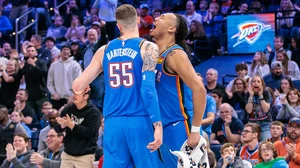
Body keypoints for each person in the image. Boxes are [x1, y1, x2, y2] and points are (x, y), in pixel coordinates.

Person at [72, 4, 163, 167]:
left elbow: (77, 86)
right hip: (138, 119)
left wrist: (84, 87)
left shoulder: (104, 50)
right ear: (138, 20)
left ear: (118, 25)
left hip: (112, 121)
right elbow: (147, 89)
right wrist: (157, 124)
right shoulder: (148, 47)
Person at [150, 12, 206, 166]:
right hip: (162, 128)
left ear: (172, 28)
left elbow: (200, 89)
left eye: (161, 18)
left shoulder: (175, 54)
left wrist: (195, 129)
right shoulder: (154, 55)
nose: (155, 19)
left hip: (180, 126)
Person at [47, 45, 82, 110]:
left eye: (67, 50)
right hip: (56, 98)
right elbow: (49, 82)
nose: (65, 51)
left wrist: (73, 95)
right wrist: (53, 93)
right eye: (64, 50)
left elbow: (79, 82)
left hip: (70, 99)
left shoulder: (75, 65)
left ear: (70, 53)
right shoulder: (54, 65)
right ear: (60, 52)